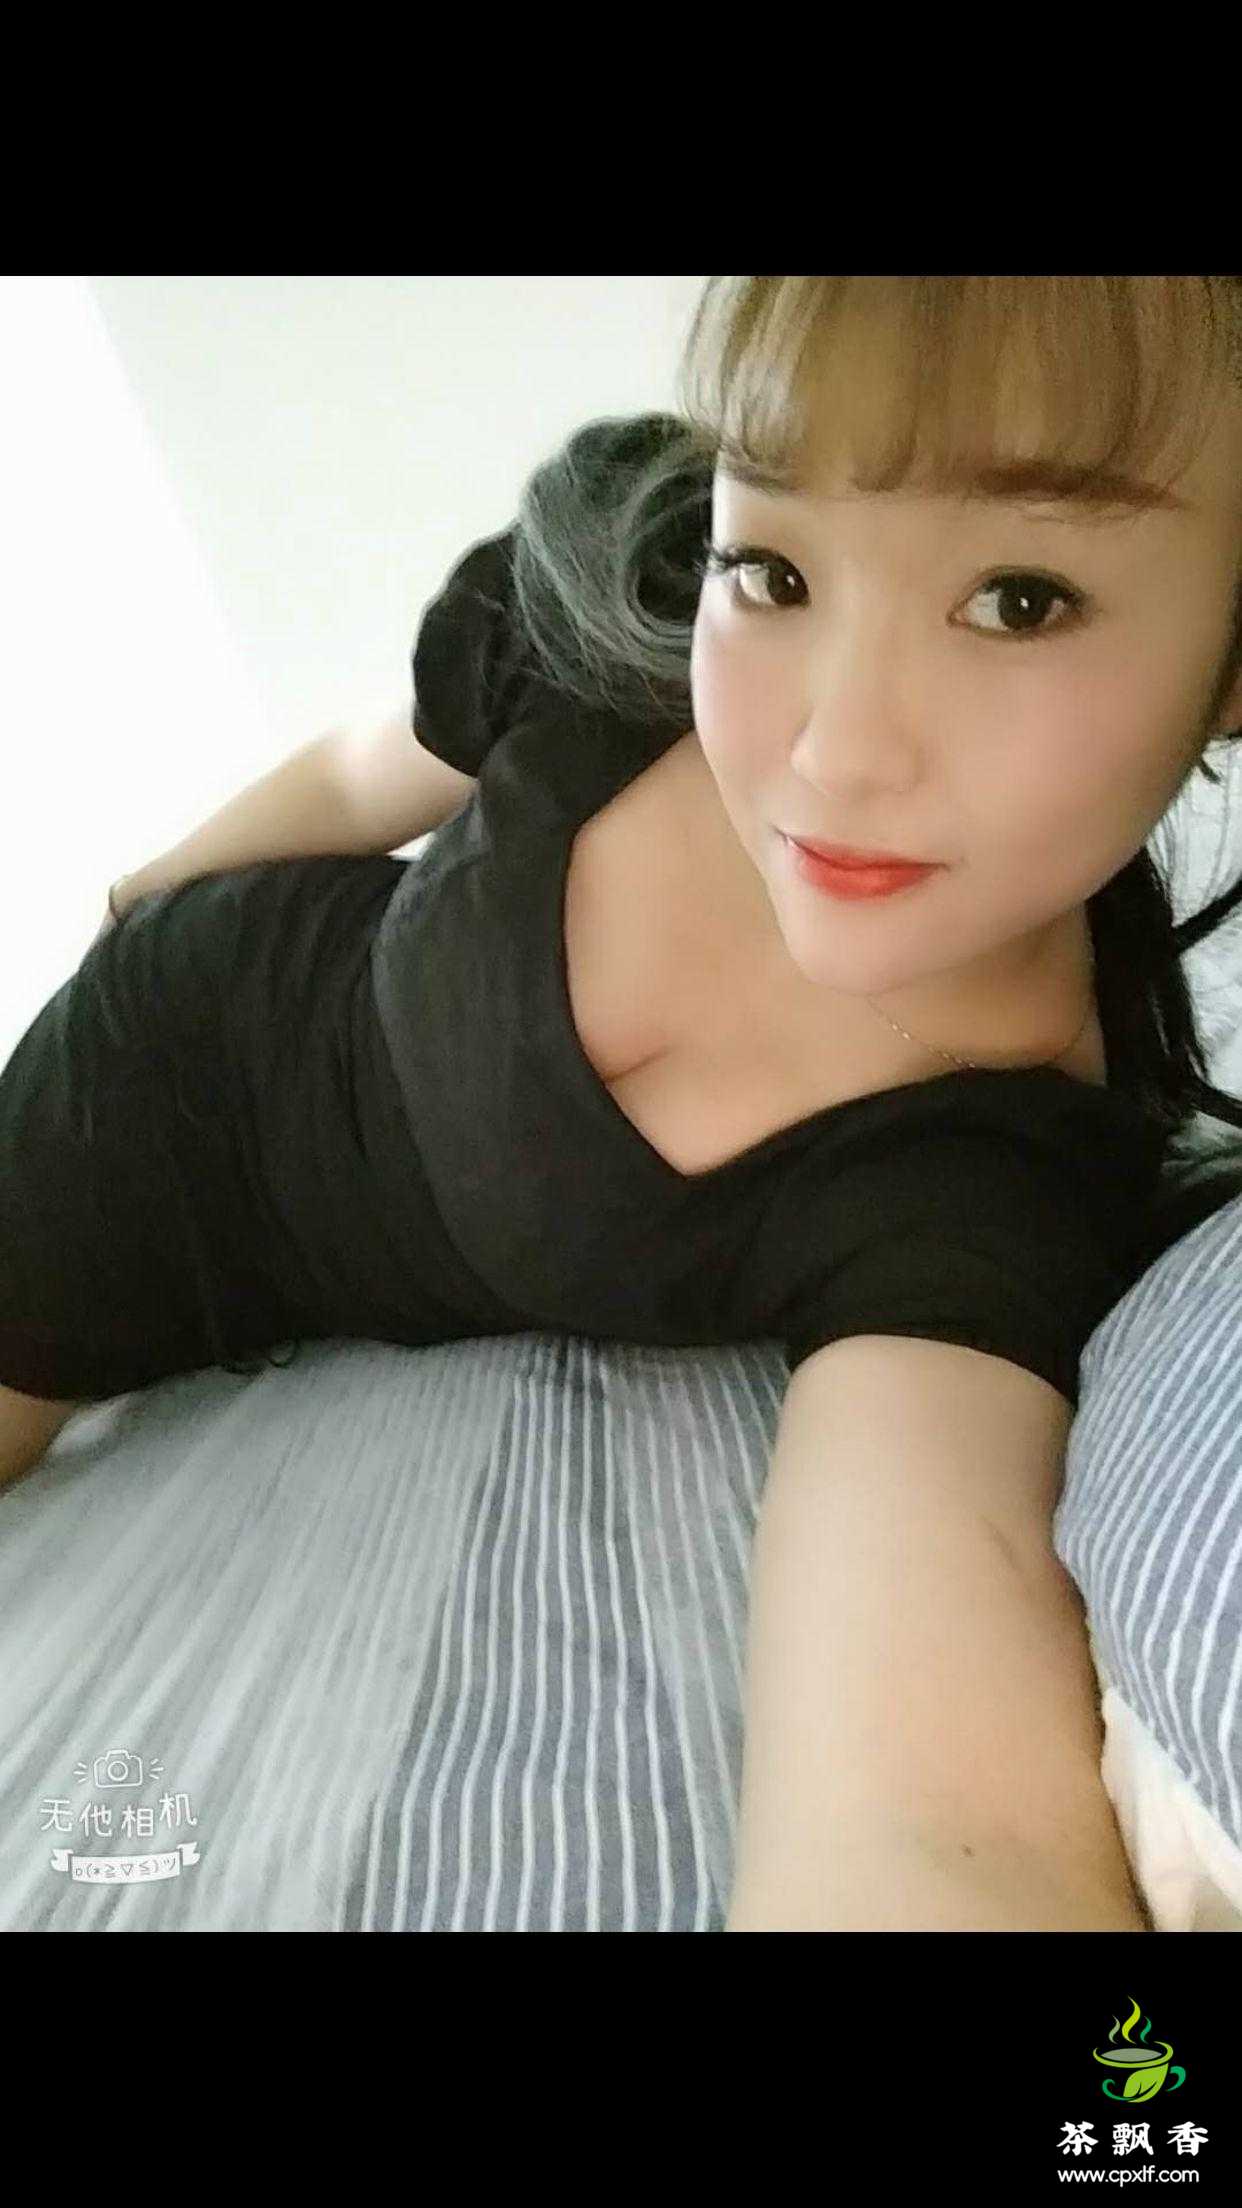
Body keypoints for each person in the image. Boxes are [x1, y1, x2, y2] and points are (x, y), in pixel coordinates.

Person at [5, 277, 1242, 1928]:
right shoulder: (631, 603)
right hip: (153, 1082)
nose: (833, 751)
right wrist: (127, 901)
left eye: (1019, 600)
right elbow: (366, 772)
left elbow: (929, 1815)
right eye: (776, 571)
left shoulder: (985, 1177)